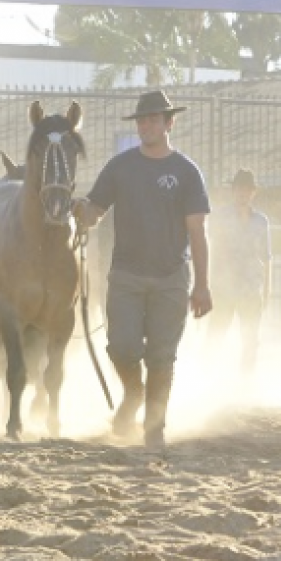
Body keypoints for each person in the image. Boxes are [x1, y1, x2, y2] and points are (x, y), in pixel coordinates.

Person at [72, 90, 212, 452]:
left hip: (171, 278)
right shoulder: (120, 167)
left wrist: (203, 285)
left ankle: (154, 428)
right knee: (121, 348)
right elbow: (95, 211)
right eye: (142, 121)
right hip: (126, 276)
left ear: (169, 123)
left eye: (153, 120)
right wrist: (79, 211)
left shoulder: (186, 171)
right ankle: (132, 394)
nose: (146, 126)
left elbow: (197, 230)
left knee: (162, 357)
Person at [208, 168, 272, 377]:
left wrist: (267, 290)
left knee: (250, 338)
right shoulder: (219, 217)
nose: (242, 194)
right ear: (233, 191)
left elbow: (267, 257)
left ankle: (245, 383)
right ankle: (208, 375)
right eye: (239, 189)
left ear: (253, 193)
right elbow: (212, 251)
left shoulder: (261, 222)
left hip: (250, 287)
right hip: (223, 287)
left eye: (246, 190)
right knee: (216, 333)